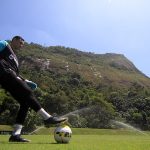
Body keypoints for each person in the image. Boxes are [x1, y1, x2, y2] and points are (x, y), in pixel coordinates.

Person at [0, 36, 67, 142]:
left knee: (25, 103)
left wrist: (25, 80)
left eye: (23, 44)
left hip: (8, 79)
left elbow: (15, 73)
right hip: (4, 74)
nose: (22, 45)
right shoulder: (4, 44)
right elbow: (8, 70)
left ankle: (15, 135)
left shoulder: (15, 59)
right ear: (14, 40)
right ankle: (47, 118)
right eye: (20, 42)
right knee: (27, 92)